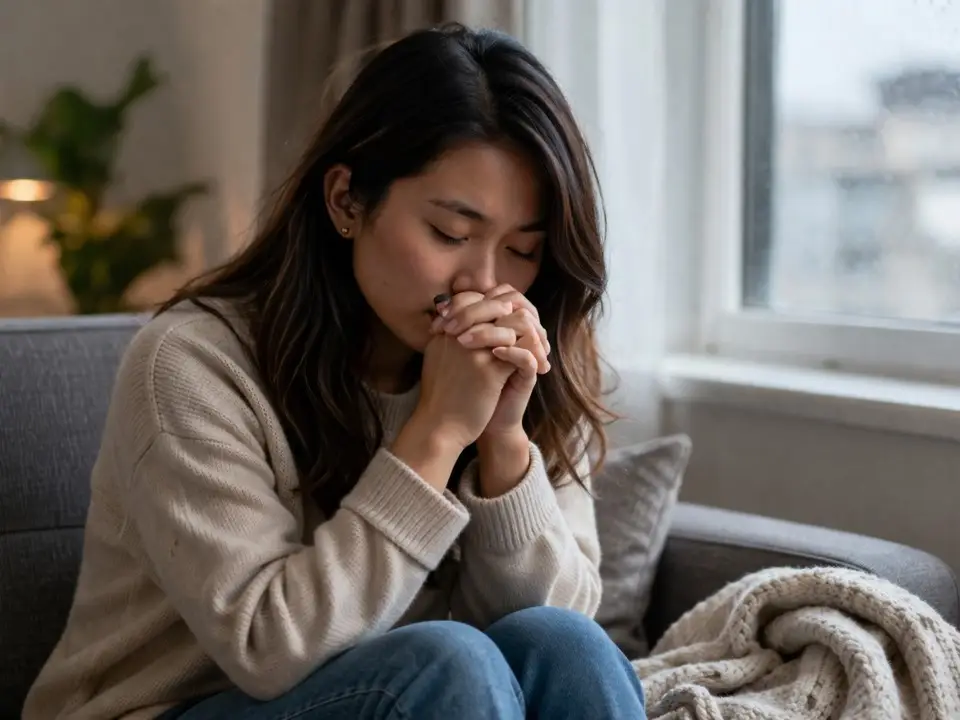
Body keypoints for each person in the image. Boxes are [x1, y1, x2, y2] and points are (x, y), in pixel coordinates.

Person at [23, 22, 647, 720]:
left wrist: (502, 444)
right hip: (172, 708)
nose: (484, 283)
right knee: (447, 661)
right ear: (347, 200)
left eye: (523, 250)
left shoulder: (521, 355)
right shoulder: (190, 364)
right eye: (449, 234)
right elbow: (270, 648)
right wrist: (437, 432)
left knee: (567, 644)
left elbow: (549, 638)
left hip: (425, 697)